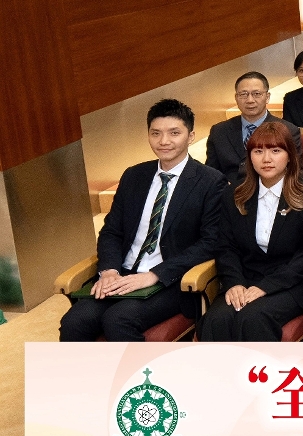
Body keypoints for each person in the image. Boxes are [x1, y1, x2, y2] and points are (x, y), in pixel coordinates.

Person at [59, 100, 225, 342]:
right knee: (74, 321)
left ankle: (142, 369)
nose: (164, 141)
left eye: (174, 133)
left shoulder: (210, 181)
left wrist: (155, 275)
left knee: (118, 319)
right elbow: (112, 231)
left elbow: (210, 242)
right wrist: (109, 271)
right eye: (155, 133)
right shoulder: (134, 176)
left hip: (169, 281)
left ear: (191, 136)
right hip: (123, 274)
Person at [200, 122, 303, 341]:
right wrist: (234, 283)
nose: (266, 159)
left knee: (252, 318)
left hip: (291, 284)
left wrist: (266, 287)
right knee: (217, 319)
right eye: (258, 151)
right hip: (245, 278)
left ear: (290, 156)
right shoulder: (234, 193)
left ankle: (261, 366)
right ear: (249, 157)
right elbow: (226, 247)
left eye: (275, 151)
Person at [205, 71, 302, 185]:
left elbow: (295, 173)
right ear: (236, 98)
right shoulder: (219, 131)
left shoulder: (288, 130)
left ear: (267, 97)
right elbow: (211, 174)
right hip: (229, 192)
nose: (250, 100)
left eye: (256, 94)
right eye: (243, 94)